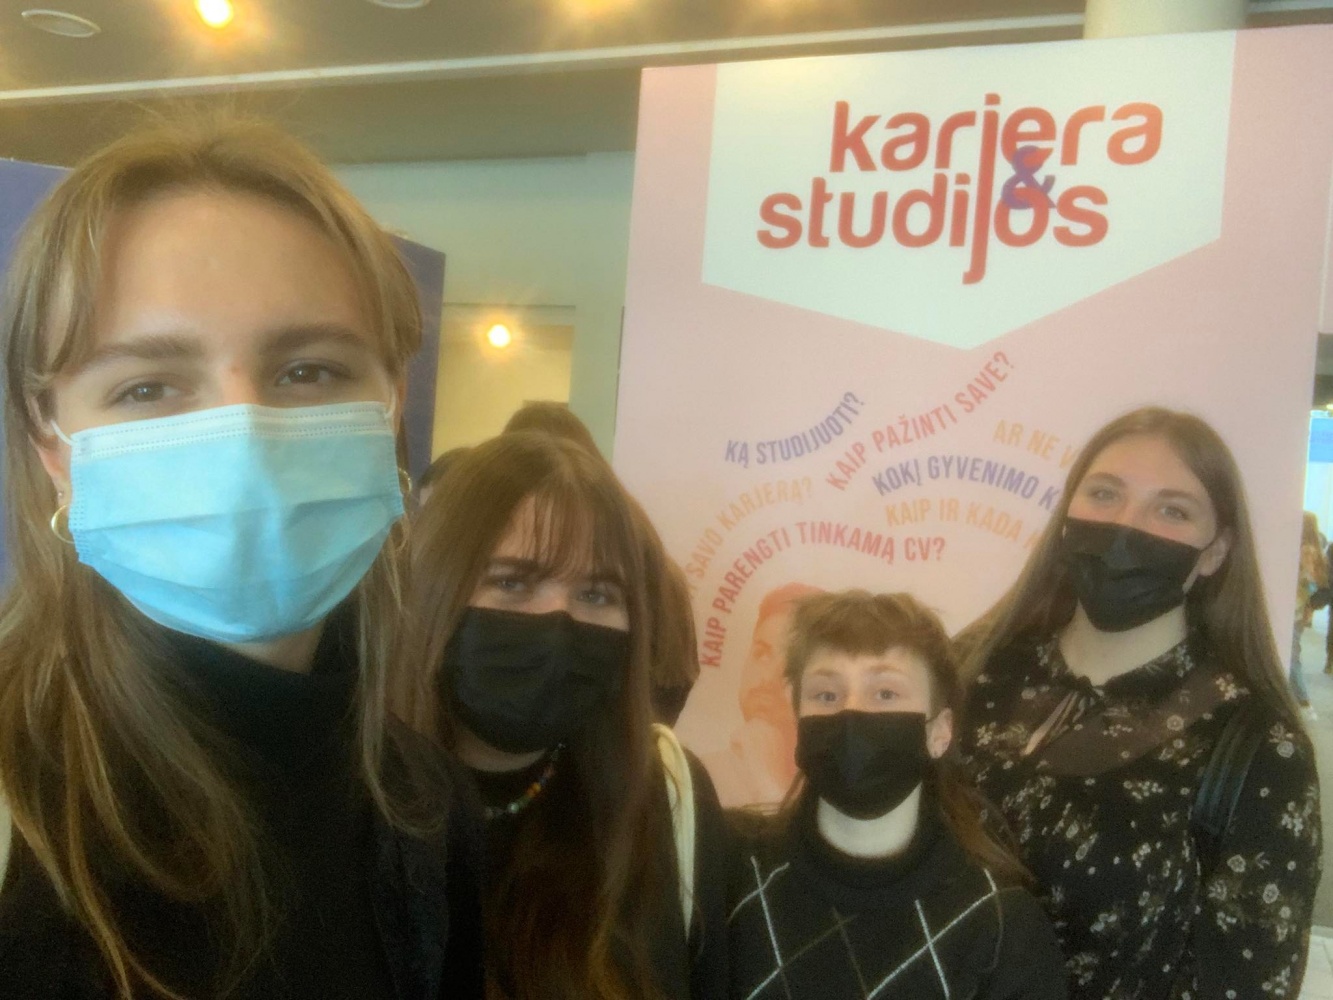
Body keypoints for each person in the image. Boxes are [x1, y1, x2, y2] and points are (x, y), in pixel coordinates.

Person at [0, 120, 483, 1000]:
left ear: (390, 404)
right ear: (52, 445)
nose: (246, 438)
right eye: (147, 387)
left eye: (308, 371)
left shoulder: (422, 806)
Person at [957, 406, 1321, 1000]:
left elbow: (1247, 981)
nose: (1126, 527)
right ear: (1068, 515)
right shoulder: (968, 673)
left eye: (1172, 510)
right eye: (1104, 494)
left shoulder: (1257, 749)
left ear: (1214, 551)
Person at [400, 431, 730, 1000]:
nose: (559, 620)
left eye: (597, 594)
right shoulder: (347, 799)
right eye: (511, 582)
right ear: (437, 591)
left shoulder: (664, 799)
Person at [728, 590, 1066, 1000]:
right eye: (826, 695)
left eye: (885, 693)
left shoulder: (1002, 928)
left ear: (939, 733)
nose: (852, 712)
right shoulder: (729, 869)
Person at [501, 399, 702, 725]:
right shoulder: (655, 555)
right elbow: (679, 676)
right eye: (512, 584)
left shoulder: (638, 552)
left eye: (593, 595)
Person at [705, 582, 821, 806]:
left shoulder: (836, 787)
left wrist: (768, 784)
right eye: (762, 654)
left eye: (792, 665)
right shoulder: (703, 775)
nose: (768, 678)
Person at [1292, 511, 1327, 715]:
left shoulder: (1305, 550)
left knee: (1292, 656)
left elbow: (1307, 582)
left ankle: (1303, 701)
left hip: (1295, 608)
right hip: (1300, 608)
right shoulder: (1315, 548)